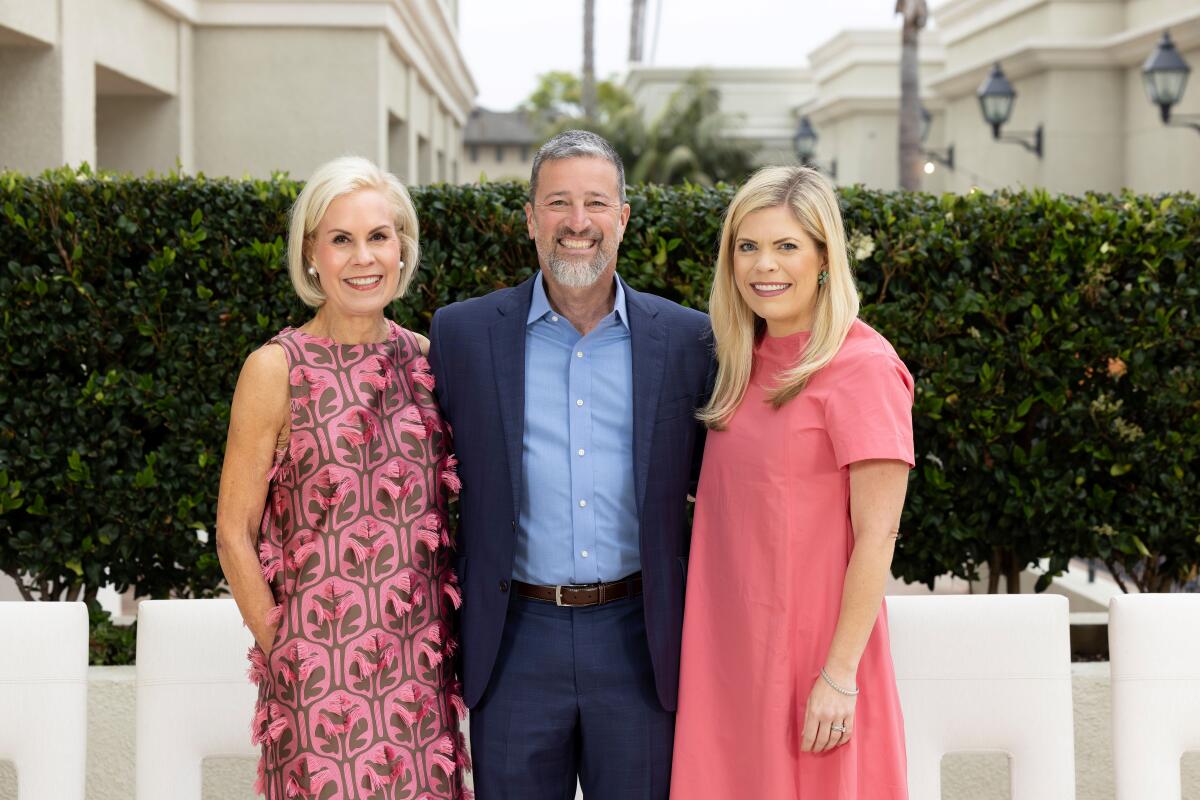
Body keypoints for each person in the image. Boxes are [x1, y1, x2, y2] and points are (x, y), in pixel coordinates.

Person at [428, 130, 713, 799]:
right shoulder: (462, 334)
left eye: (595, 202)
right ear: (530, 218)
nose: (577, 222)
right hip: (514, 640)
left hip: (639, 641)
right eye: (558, 203)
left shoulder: (688, 339)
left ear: (623, 217)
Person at [216, 156, 468, 800]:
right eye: (341, 239)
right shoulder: (275, 370)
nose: (364, 258)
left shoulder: (430, 362)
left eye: (379, 237)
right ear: (311, 255)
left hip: (419, 673)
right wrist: (281, 643)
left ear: (402, 248)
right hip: (315, 672)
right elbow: (233, 532)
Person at [670, 166, 914, 799]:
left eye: (786, 246)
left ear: (824, 257)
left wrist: (838, 675)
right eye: (747, 246)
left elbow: (878, 535)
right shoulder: (736, 362)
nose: (763, 266)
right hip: (727, 656)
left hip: (813, 662)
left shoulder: (863, 367)